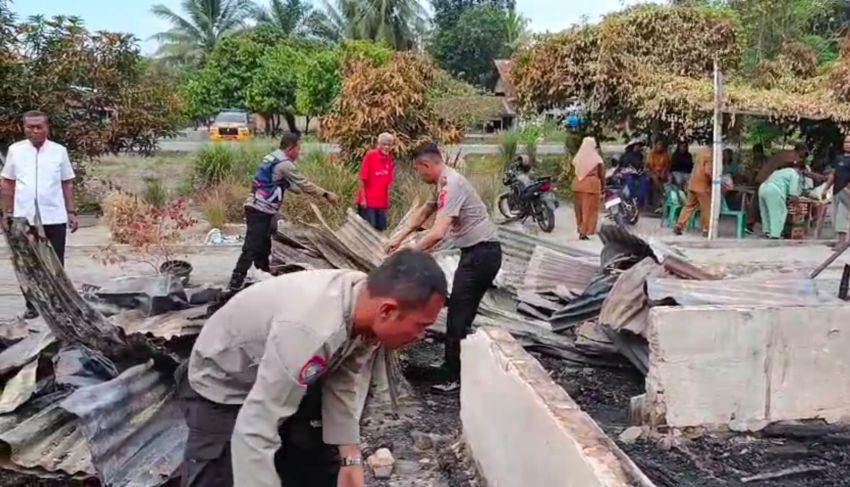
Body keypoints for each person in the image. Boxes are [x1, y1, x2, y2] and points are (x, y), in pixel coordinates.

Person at [180, 250, 448, 487]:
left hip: (287, 372)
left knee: (313, 466)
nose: (422, 335)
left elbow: (344, 379)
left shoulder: (364, 305)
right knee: (224, 474)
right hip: (225, 382)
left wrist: (351, 460)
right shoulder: (311, 329)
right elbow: (256, 427)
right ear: (387, 311)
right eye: (421, 325)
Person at [385, 142, 501, 393]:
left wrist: (409, 252)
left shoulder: (452, 184)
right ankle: (452, 366)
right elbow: (425, 212)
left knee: (459, 315)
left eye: (419, 170)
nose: (420, 175)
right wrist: (400, 236)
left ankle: (455, 376)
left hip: (483, 254)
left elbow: (438, 233)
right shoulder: (442, 183)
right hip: (476, 253)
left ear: (427, 165)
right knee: (459, 311)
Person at [228, 132, 339, 291]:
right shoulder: (285, 164)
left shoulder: (273, 157)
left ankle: (263, 276)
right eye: (298, 149)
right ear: (290, 148)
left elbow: (289, 184)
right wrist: (326, 194)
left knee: (264, 245)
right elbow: (303, 184)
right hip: (260, 209)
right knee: (251, 246)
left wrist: (296, 188)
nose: (299, 153)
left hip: (261, 208)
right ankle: (235, 281)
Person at [0, 110, 78, 320]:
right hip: (24, 216)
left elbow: (67, 182)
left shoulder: (59, 151)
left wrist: (71, 211)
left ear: (47, 128)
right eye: (30, 127)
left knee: (55, 262)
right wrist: (6, 213)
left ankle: (58, 303)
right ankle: (33, 305)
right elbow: (7, 182)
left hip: (54, 215)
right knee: (26, 261)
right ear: (23, 128)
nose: (34, 130)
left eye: (39, 127)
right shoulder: (15, 151)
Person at [356, 133, 395, 231]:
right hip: (369, 203)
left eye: (389, 145)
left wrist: (388, 200)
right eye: (384, 144)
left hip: (381, 203)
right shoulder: (370, 156)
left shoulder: (389, 159)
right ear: (379, 144)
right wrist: (363, 200)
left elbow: (388, 183)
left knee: (381, 230)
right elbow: (362, 179)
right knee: (368, 231)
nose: (386, 147)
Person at [571, 137, 605, 240]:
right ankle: (584, 231)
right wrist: (603, 188)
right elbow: (601, 174)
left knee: (579, 210)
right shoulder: (597, 159)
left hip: (577, 185)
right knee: (589, 210)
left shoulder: (577, 158)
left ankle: (581, 229)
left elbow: (574, 170)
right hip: (591, 186)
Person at [674, 148, 713, 236]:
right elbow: (707, 171)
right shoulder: (710, 155)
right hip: (702, 185)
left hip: (692, 183)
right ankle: (706, 229)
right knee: (706, 208)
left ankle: (679, 224)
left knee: (689, 206)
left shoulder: (701, 153)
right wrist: (714, 180)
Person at [758, 164, 803, 239]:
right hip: (774, 190)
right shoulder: (794, 174)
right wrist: (798, 206)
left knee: (765, 212)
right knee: (778, 212)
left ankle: (767, 231)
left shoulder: (778, 171)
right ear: (800, 170)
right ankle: (775, 234)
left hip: (763, 188)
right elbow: (793, 194)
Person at [823, 135, 850, 245]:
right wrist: (826, 189)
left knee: (842, 215)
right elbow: (833, 174)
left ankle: (842, 242)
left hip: (846, 191)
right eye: (846, 142)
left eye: (849, 142)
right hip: (836, 190)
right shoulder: (839, 158)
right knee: (834, 215)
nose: (847, 144)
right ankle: (841, 241)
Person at [618, 139, 650, 208]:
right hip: (627, 173)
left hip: (637, 173)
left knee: (645, 180)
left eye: (639, 146)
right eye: (636, 146)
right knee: (630, 180)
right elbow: (622, 165)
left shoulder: (640, 155)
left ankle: (639, 199)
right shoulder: (626, 155)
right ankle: (630, 198)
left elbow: (641, 166)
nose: (638, 147)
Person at [646, 140, 671, 207]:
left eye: (661, 145)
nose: (660, 146)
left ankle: (670, 198)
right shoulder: (651, 154)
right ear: (655, 145)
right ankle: (663, 193)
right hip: (652, 172)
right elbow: (649, 166)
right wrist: (657, 172)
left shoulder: (665, 155)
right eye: (659, 144)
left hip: (663, 172)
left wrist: (663, 171)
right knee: (655, 178)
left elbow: (667, 165)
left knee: (670, 178)